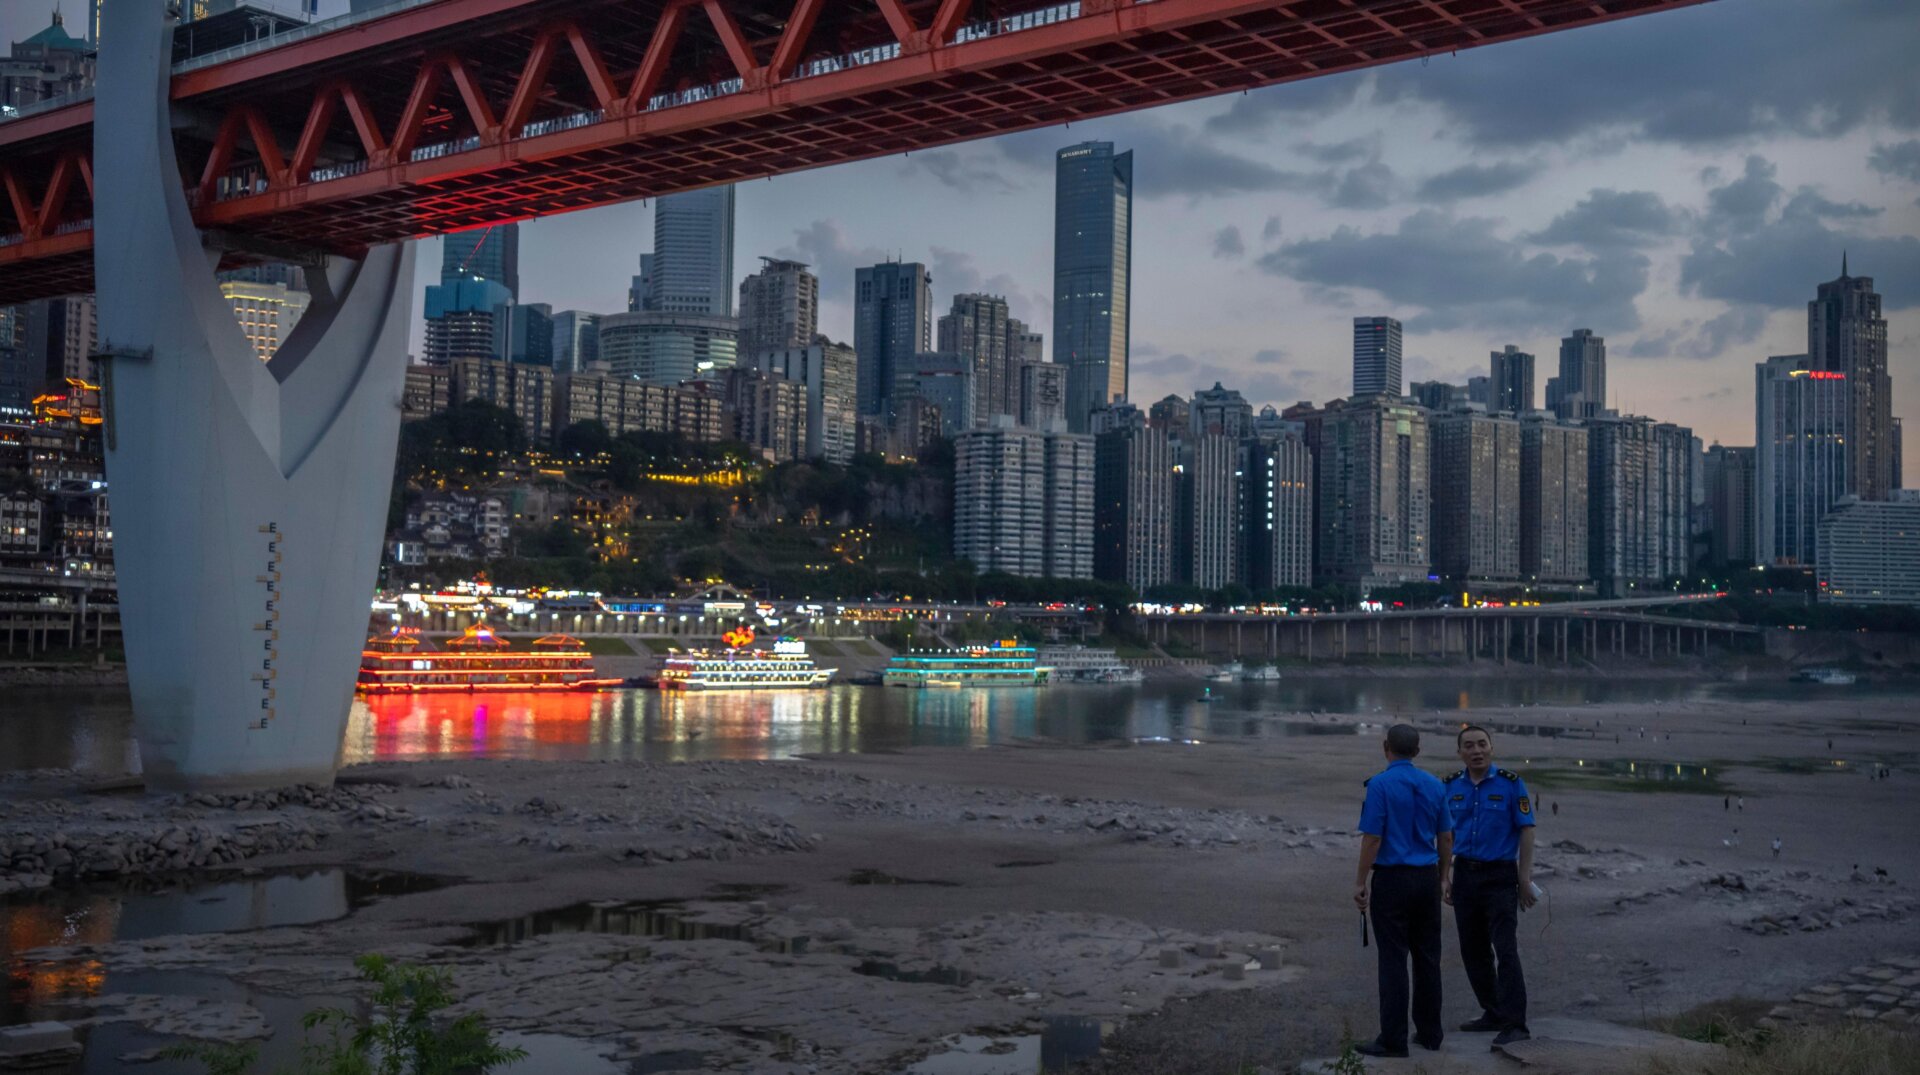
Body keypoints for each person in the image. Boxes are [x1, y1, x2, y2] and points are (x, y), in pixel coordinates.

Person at [1353, 723, 1452, 1058]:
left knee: (1393, 960)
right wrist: (1442, 876)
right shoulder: (1435, 784)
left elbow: (1373, 838)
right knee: (1428, 958)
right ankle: (1430, 1033)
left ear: (1386, 748)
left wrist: (1360, 881)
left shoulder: (1380, 784)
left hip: (1393, 879)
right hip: (1425, 877)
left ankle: (1393, 1039)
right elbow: (1446, 837)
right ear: (1418, 751)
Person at [1442, 726, 1536, 1048]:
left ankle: (1515, 1024)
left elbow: (1526, 831)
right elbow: (1444, 835)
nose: (1476, 750)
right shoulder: (1450, 785)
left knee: (1505, 949)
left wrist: (1523, 878)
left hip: (1500, 877)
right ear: (1460, 752)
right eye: (1469, 746)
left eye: (1482, 744)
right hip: (1465, 875)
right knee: (1473, 950)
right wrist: (1444, 877)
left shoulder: (1511, 784)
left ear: (1492, 748)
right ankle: (1493, 1011)